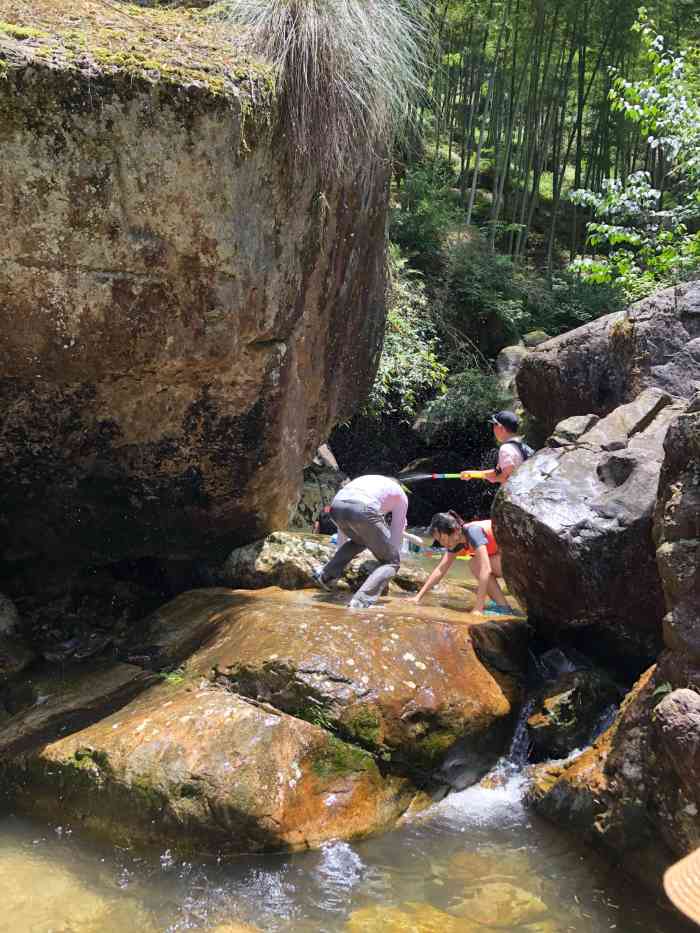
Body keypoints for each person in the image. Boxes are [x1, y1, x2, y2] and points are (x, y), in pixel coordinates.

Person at [312, 475, 408, 610]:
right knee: (392, 562)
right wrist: (393, 555)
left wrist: (339, 548)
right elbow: (397, 528)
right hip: (363, 509)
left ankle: (325, 575)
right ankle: (361, 601)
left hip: (336, 507)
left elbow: (344, 529)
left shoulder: (372, 482)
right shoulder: (401, 495)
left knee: (360, 540)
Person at [410, 511, 512, 615]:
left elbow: (486, 569)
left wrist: (478, 608)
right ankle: (501, 605)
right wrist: (418, 597)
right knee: (475, 563)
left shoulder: (473, 532)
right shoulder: (458, 541)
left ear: (455, 530)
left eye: (443, 539)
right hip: (512, 563)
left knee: (476, 564)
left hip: (523, 563)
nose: (442, 544)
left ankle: (503, 607)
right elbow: (441, 569)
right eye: (439, 541)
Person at [461, 410, 532, 486]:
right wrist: (473, 474)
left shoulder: (506, 449)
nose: (493, 428)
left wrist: (494, 479)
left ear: (502, 429)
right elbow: (498, 472)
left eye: (495, 425)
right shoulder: (521, 444)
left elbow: (508, 477)